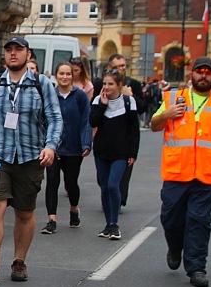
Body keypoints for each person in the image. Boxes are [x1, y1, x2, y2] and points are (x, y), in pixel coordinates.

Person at [0, 36, 62, 284]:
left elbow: (55, 118)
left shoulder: (41, 84)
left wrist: (50, 146)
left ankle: (19, 261)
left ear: (28, 54)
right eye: (9, 49)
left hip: (31, 156)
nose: (13, 53)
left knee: (24, 212)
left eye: (18, 50)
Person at [150, 56, 211, 287]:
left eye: (208, 73)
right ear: (191, 74)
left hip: (207, 175)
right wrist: (166, 114)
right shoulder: (173, 98)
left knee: (199, 220)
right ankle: (175, 247)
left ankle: (197, 267)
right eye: (199, 71)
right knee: (170, 219)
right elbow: (154, 125)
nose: (203, 76)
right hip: (176, 173)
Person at [88, 69, 141, 240]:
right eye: (104, 83)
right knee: (104, 187)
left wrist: (133, 152)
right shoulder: (98, 100)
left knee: (113, 185)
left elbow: (134, 130)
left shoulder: (128, 102)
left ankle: (114, 223)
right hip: (101, 152)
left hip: (121, 153)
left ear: (119, 85)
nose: (106, 87)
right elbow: (93, 122)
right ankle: (108, 224)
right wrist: (103, 105)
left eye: (110, 84)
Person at [41, 62, 91, 234]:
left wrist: (86, 143)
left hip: (74, 146)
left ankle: (74, 209)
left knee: (71, 183)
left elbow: (86, 120)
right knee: (52, 181)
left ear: (73, 76)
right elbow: (43, 120)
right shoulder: (50, 95)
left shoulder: (80, 96)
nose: (64, 77)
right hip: (53, 147)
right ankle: (51, 219)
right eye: (61, 73)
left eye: (68, 74)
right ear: (56, 75)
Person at [91, 54, 147, 208]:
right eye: (117, 67)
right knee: (104, 181)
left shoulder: (133, 84)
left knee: (118, 180)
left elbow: (143, 107)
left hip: (124, 141)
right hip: (104, 143)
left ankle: (118, 201)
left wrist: (131, 95)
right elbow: (93, 115)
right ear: (109, 67)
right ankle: (109, 199)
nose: (121, 69)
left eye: (123, 66)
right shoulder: (100, 84)